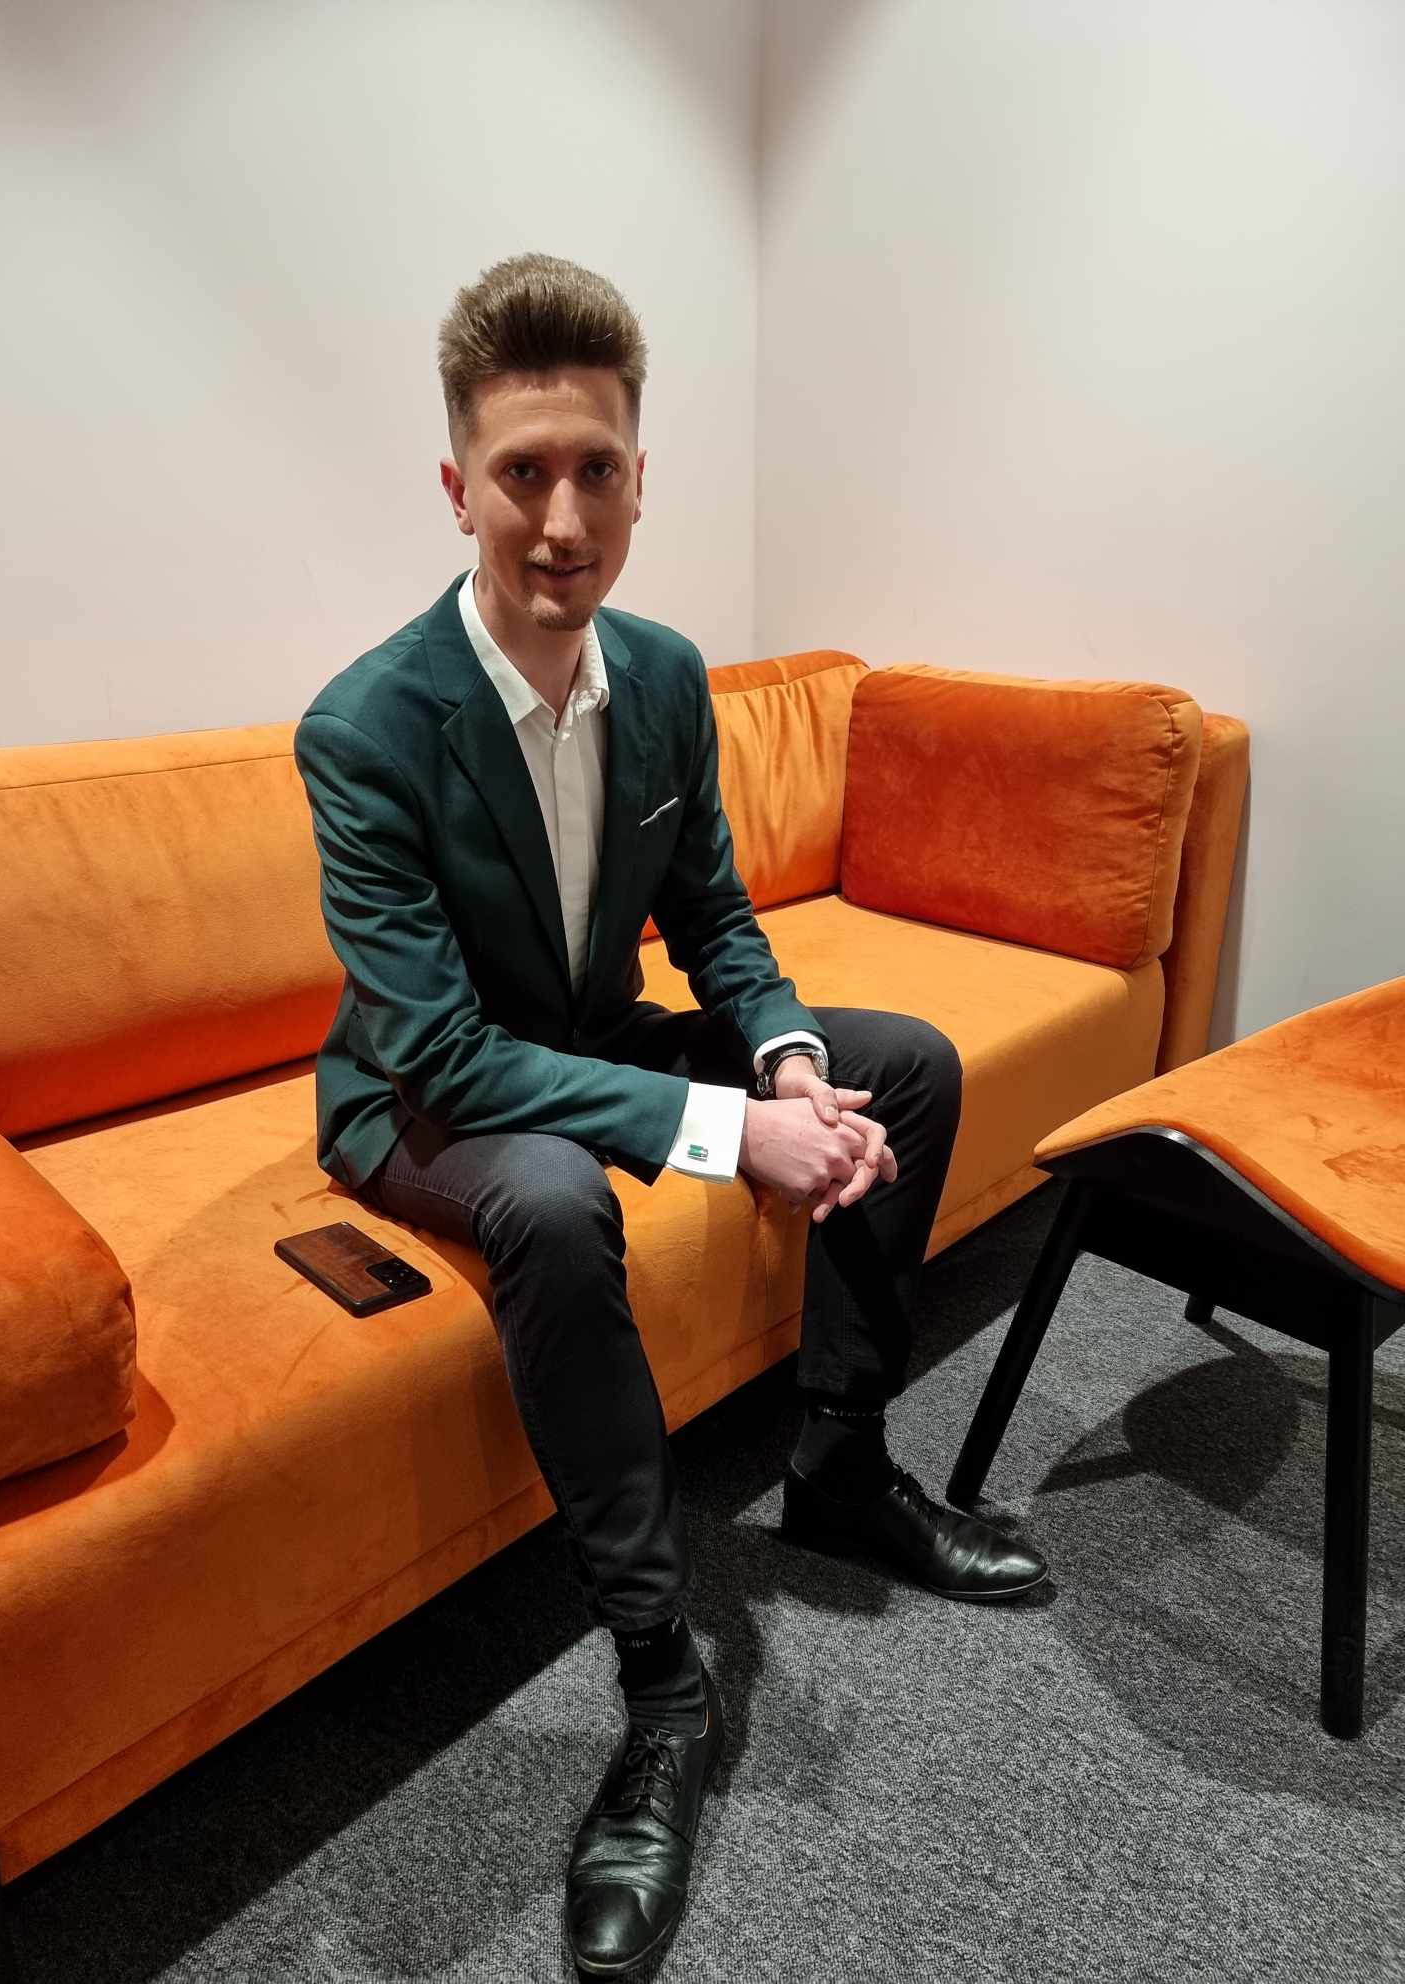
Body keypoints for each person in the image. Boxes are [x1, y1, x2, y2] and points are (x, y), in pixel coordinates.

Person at [293, 251, 1050, 1979]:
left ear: (642, 478)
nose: (562, 520)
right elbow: (444, 1054)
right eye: (523, 473)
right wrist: (720, 1137)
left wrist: (780, 1061)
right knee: (560, 1203)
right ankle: (661, 1691)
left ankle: (839, 1470)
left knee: (905, 1063)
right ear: (458, 486)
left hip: (584, 1035)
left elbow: (711, 912)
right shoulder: (365, 730)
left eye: (597, 471)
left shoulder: (663, 672)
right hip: (420, 1094)